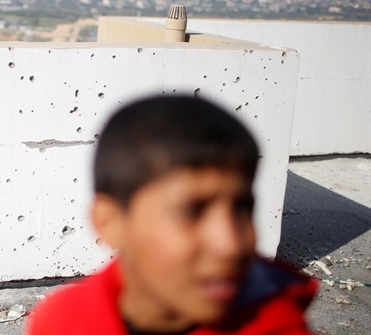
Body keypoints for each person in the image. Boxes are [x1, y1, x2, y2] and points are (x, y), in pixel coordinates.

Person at [27, 96, 317, 335]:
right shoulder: (61, 323)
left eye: (242, 208)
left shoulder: (278, 326)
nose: (231, 244)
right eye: (191, 212)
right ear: (109, 222)